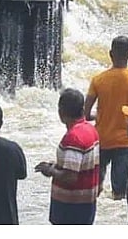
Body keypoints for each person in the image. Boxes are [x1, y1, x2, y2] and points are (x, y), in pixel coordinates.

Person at [83, 35, 128, 201]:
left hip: (101, 140)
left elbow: (85, 113)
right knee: (120, 194)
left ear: (110, 54)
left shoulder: (98, 80)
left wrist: (97, 116)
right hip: (125, 143)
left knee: (94, 189)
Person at [35, 88, 100, 225]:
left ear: (61, 112)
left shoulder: (73, 138)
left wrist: (50, 171)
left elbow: (70, 177)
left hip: (71, 208)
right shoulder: (90, 129)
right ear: (82, 110)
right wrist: (55, 165)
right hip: (86, 204)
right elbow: (78, 165)